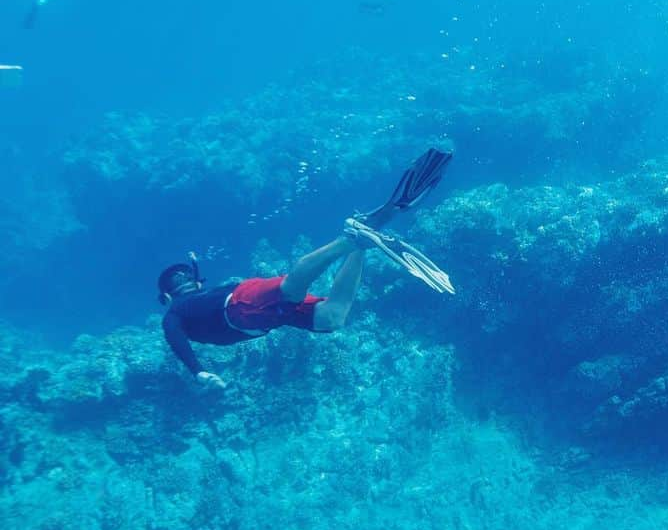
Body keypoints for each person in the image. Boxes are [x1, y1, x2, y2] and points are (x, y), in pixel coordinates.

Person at [158, 148, 454, 388]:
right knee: (331, 317)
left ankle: (349, 237)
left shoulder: (174, 312)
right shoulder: (192, 301)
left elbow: (174, 337)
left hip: (238, 307)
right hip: (262, 316)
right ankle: (362, 240)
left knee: (290, 289)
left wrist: (197, 371)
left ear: (167, 296)